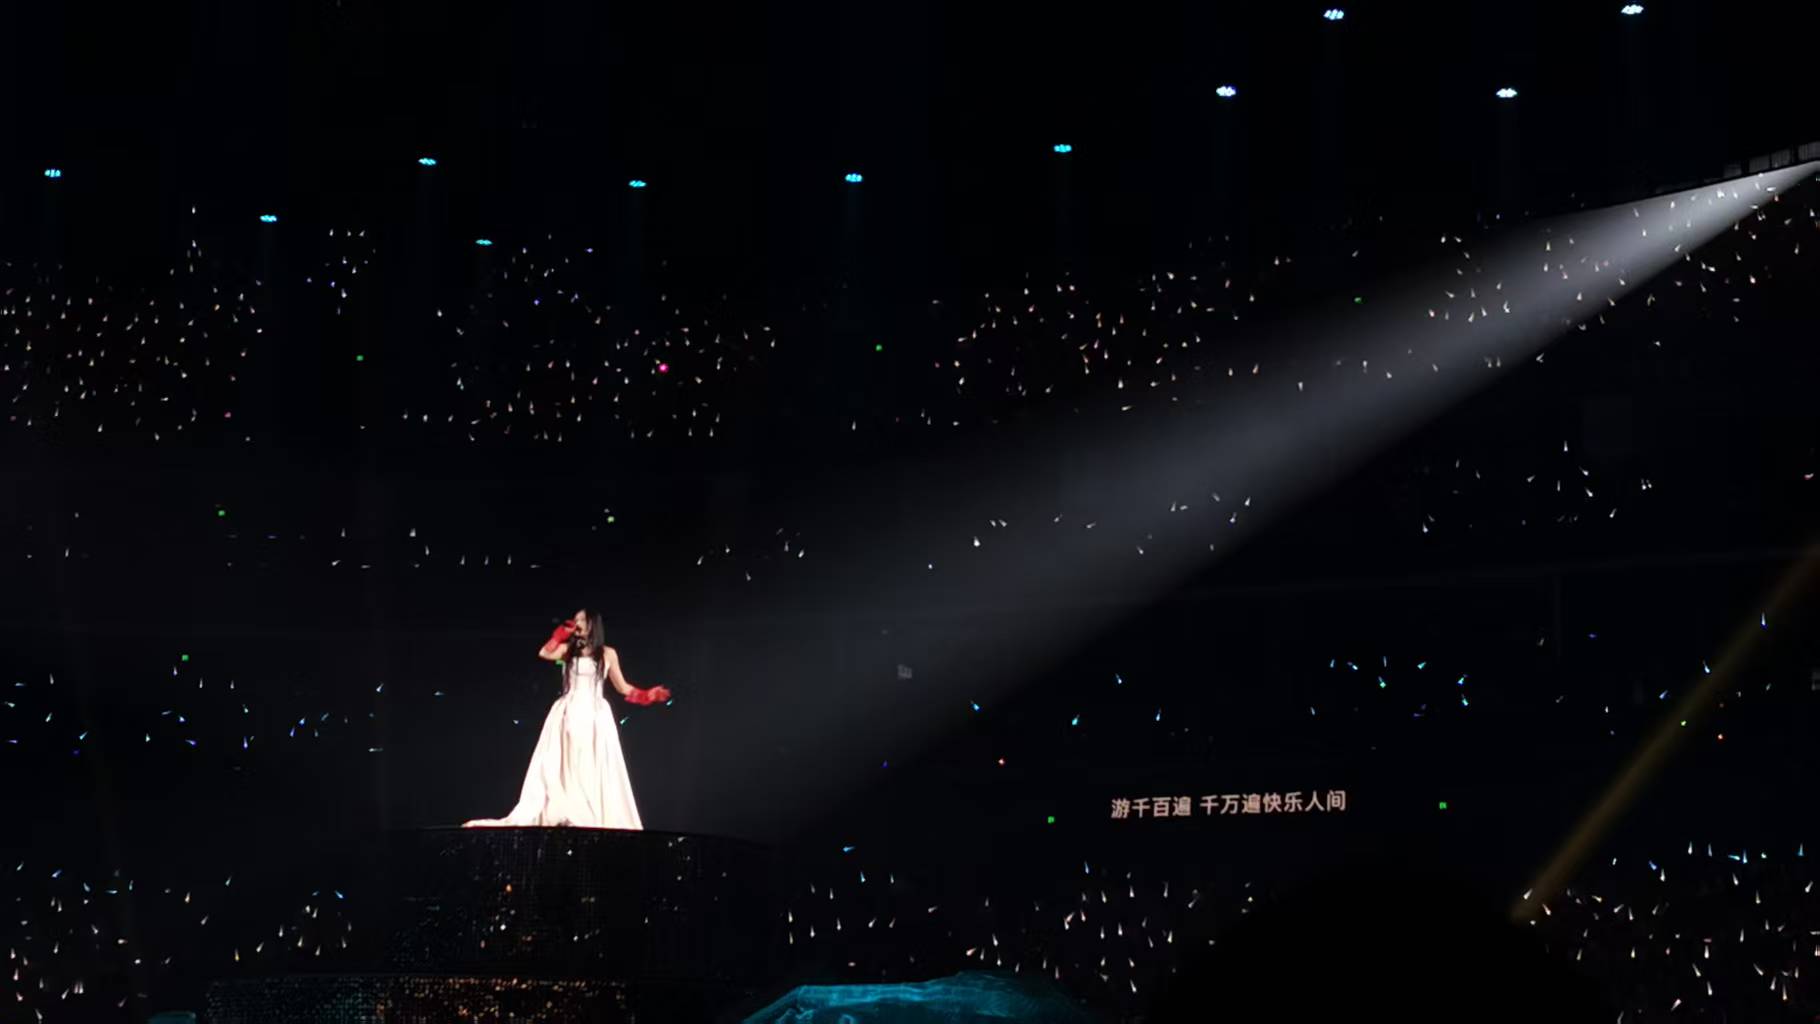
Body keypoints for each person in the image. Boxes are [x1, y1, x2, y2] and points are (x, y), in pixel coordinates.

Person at [463, 610, 671, 829]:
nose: (577, 623)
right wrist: (560, 634)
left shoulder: (607, 653)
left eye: (582, 620)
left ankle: (590, 812)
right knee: (566, 761)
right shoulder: (568, 650)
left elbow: (623, 687)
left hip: (594, 714)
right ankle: (568, 810)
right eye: (576, 619)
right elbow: (544, 653)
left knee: (591, 762)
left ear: (592, 624)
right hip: (569, 710)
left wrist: (647, 695)